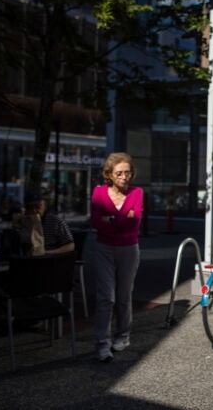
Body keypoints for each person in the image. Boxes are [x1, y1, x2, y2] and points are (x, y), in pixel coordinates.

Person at [90, 152, 144, 361]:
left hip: (129, 249)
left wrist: (110, 219)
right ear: (109, 174)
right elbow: (96, 222)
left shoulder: (137, 192)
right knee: (106, 297)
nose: (124, 177)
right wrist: (122, 218)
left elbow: (135, 223)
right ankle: (102, 343)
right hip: (104, 248)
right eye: (119, 173)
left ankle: (123, 335)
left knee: (124, 296)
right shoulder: (98, 193)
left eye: (128, 173)